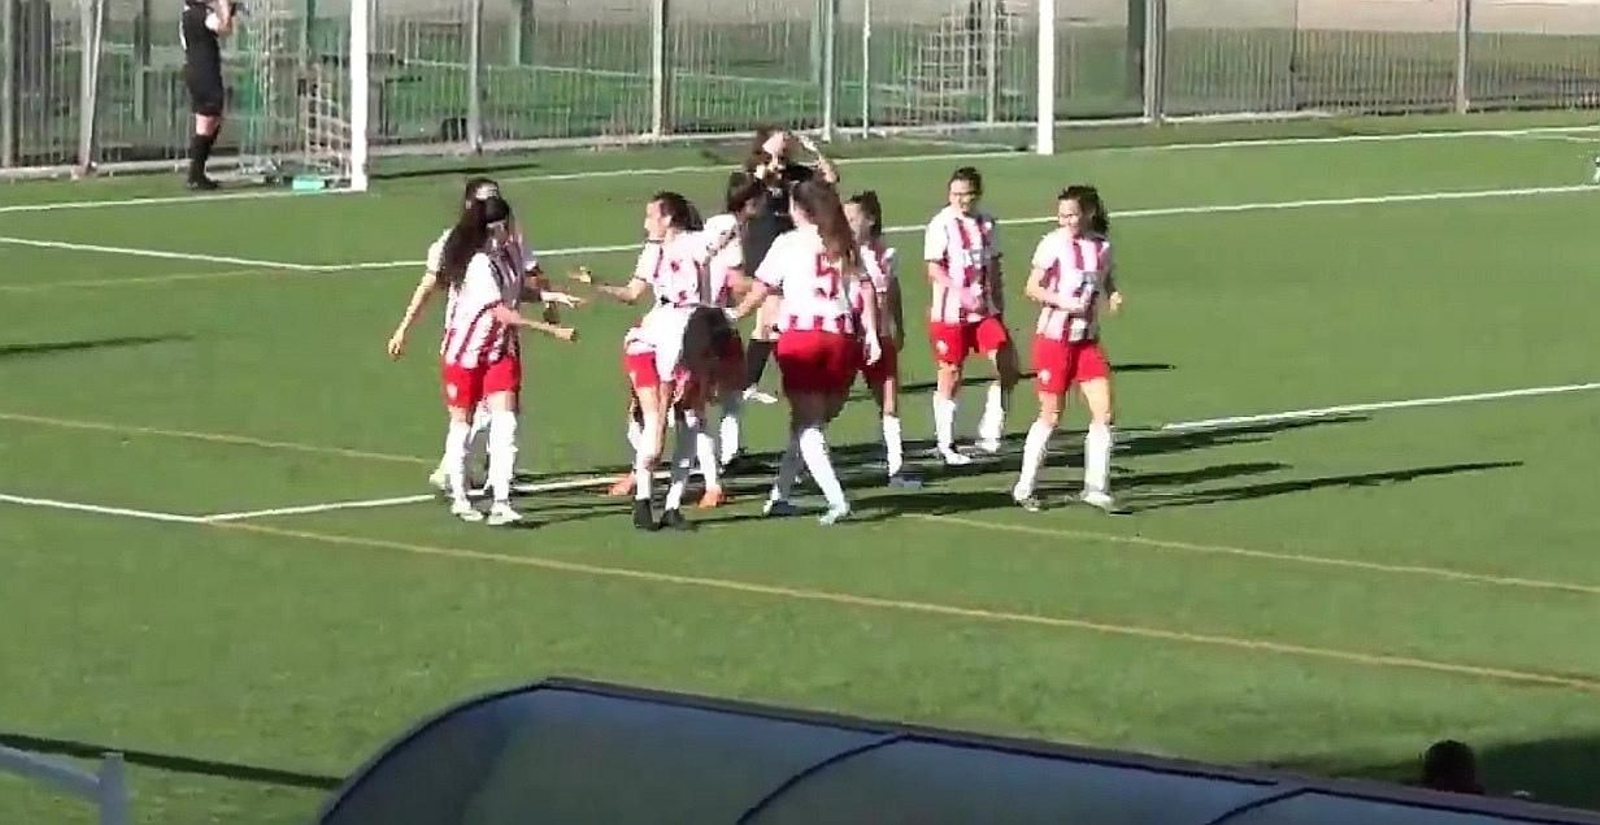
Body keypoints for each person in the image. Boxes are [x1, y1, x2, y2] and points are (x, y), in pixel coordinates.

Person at [387, 177, 580, 497]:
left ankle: (493, 477)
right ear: (469, 206)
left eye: (496, 198)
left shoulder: (512, 242)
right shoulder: (455, 244)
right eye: (485, 200)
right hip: (468, 340)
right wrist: (403, 329)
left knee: (503, 409)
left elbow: (531, 277)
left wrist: (551, 301)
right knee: (475, 410)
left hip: (503, 339)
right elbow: (428, 287)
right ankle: (455, 471)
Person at [729, 181, 881, 525]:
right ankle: (779, 496)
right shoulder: (842, 239)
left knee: (809, 425)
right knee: (806, 424)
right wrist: (870, 332)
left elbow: (763, 287)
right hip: (843, 336)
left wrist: (736, 314)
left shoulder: (788, 242)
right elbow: (867, 285)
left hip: (803, 336)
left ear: (799, 210)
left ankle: (837, 500)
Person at [577, 191, 738, 504]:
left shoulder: (694, 242)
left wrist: (714, 240)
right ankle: (652, 480)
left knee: (690, 412)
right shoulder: (652, 251)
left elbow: (728, 225)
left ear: (668, 219)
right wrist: (598, 283)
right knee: (653, 411)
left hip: (689, 327)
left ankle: (702, 485)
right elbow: (632, 293)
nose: (646, 222)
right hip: (659, 325)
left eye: (652, 215)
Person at [434, 196, 577, 524]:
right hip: (467, 354)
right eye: (509, 224)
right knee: (463, 423)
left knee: (507, 422)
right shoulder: (480, 264)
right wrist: (550, 331)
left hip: (500, 352)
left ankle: (501, 499)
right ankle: (459, 495)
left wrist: (549, 295)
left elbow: (515, 292)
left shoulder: (510, 255)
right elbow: (501, 311)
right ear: (497, 228)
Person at [1011, 185, 1124, 514]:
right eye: (1062, 215)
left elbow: (1106, 279)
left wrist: (1113, 294)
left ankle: (1096, 488)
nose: (1067, 221)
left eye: (1073, 214)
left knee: (1104, 412)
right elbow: (1032, 287)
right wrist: (1064, 301)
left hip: (1087, 341)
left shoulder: (1103, 246)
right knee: (1051, 415)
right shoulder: (1053, 243)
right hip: (1054, 341)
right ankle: (1024, 486)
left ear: (1089, 213)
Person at [924, 166, 1020, 466]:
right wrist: (960, 291)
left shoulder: (988, 223)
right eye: (955, 194)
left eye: (966, 195)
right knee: (950, 373)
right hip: (950, 313)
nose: (960, 200)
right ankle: (945, 442)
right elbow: (934, 268)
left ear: (977, 195)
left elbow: (993, 266)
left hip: (985, 311)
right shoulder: (940, 224)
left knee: (1007, 366)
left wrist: (999, 304)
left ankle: (990, 431)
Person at [740, 127, 840, 405]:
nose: (785, 145)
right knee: (770, 318)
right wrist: (764, 174)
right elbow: (741, 198)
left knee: (772, 320)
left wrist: (817, 152)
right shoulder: (753, 173)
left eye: (787, 141)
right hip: (764, 247)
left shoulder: (797, 173)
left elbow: (830, 180)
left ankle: (753, 381)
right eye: (779, 140)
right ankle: (751, 382)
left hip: (790, 252)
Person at [622, 306, 737, 531]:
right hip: (643, 351)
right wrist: (660, 436)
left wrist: (701, 396)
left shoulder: (719, 327)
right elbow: (665, 393)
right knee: (654, 420)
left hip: (685, 352)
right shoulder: (673, 344)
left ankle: (671, 508)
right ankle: (643, 501)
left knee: (693, 422)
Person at [845, 191, 919, 489]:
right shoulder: (841, 255)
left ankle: (896, 465)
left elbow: (893, 291)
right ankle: (802, 461)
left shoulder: (887, 254)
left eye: (853, 218)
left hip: (881, 337)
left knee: (889, 402)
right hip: (849, 336)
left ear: (870, 220)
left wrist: (898, 325)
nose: (847, 224)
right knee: (826, 405)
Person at [179, 0, 233, 189]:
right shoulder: (201, 14)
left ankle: (197, 173)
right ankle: (196, 174)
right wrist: (225, 8)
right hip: (204, 70)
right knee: (209, 118)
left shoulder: (187, 15)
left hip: (195, 69)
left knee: (211, 119)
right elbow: (225, 29)